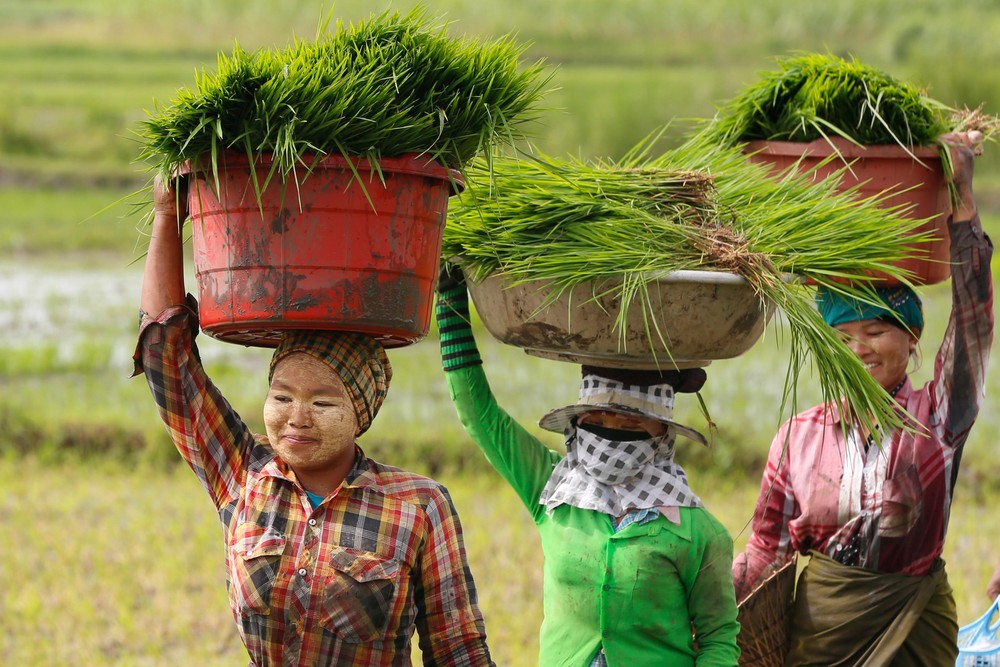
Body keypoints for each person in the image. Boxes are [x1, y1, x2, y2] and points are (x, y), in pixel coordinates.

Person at [133, 177, 495, 666]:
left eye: (323, 404)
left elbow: (458, 650)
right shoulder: (244, 476)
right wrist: (165, 216)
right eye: (281, 396)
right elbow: (166, 358)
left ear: (361, 413)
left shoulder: (419, 506)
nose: (296, 419)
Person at [732, 130, 993, 665]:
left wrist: (963, 204)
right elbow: (766, 554)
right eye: (842, 337)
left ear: (911, 337)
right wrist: (708, 603)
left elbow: (972, 328)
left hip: (914, 631)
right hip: (820, 639)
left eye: (875, 332)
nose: (859, 350)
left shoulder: (938, 418)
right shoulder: (797, 438)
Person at [435, 269, 740, 666]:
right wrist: (449, 298)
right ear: (577, 422)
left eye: (631, 424)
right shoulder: (552, 490)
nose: (611, 431)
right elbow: (481, 416)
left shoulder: (699, 533)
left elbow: (719, 639)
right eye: (599, 418)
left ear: (662, 433)